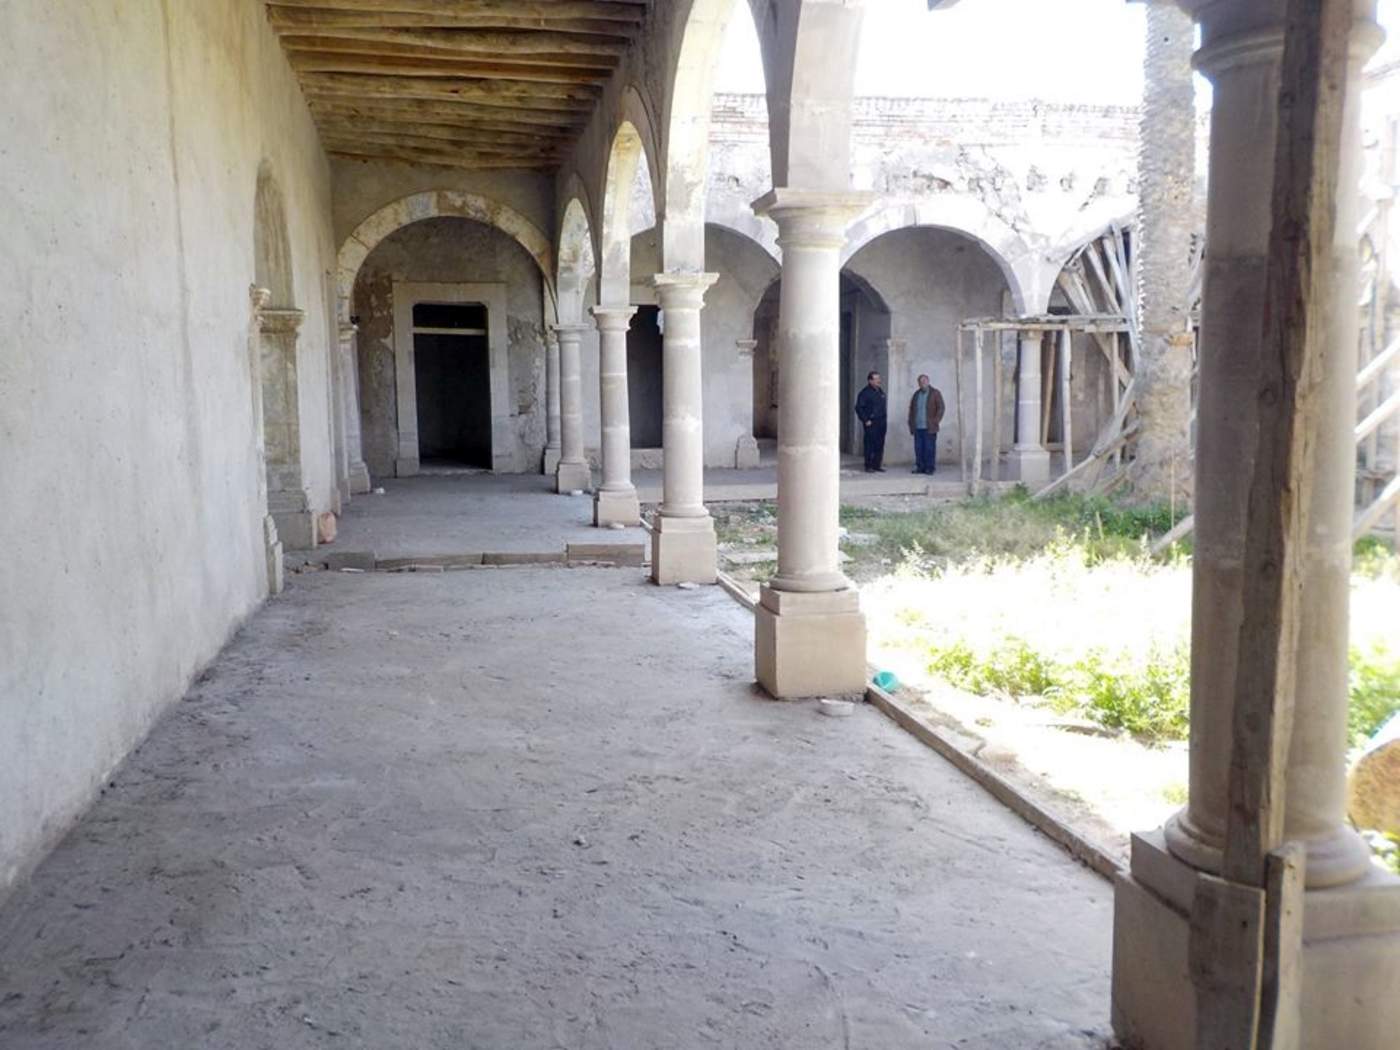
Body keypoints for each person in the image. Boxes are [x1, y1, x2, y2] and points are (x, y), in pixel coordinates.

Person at [907, 373, 945, 475]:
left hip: (929, 427)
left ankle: (930, 468)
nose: (922, 383)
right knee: (918, 448)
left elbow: (941, 408)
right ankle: (920, 467)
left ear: (928, 381)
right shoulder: (916, 394)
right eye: (920, 382)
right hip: (918, 427)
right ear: (918, 383)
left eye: (924, 381)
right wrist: (910, 423)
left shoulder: (935, 393)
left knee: (929, 448)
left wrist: (936, 421)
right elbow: (911, 410)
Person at [854, 371, 887, 472]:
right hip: (871, 422)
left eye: (879, 378)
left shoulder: (880, 391)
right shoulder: (865, 393)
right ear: (870, 381)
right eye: (876, 379)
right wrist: (866, 420)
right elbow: (859, 408)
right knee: (870, 444)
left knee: (879, 444)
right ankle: (868, 466)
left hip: (881, 422)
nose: (879, 381)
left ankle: (877, 465)